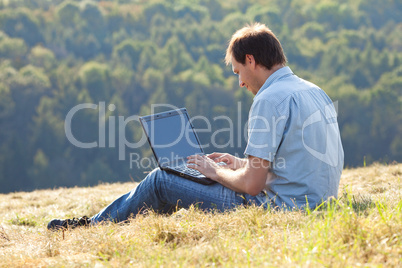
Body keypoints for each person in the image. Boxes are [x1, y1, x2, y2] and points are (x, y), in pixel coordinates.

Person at [48, 23, 344, 230]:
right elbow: (296, 164)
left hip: (280, 211)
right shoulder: (313, 91)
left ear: (251, 60)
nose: (240, 82)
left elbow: (253, 187)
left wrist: (216, 171)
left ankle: (93, 227)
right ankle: (132, 225)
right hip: (318, 203)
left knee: (161, 179)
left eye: (238, 71)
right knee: (189, 175)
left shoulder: (269, 99)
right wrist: (238, 164)